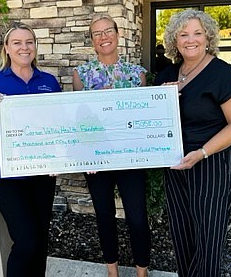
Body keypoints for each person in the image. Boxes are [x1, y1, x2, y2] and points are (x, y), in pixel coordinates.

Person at [154, 10, 231, 277]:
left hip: (210, 163)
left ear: (208, 37)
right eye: (183, 34)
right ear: (175, 40)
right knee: (182, 233)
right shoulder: (166, 76)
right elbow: (152, 121)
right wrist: (161, 99)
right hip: (174, 163)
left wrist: (202, 152)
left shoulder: (222, 74)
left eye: (197, 33)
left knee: (208, 237)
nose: (190, 40)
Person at [0, 22, 61, 277]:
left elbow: (59, 125)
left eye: (29, 42)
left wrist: (59, 160)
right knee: (26, 241)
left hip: (42, 173)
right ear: (7, 49)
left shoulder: (49, 82)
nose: (24, 47)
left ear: (35, 47)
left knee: (40, 241)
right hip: (7, 174)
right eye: (17, 42)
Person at [73, 14, 151, 277]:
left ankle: (142, 272)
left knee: (137, 218)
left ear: (118, 35)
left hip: (130, 158)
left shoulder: (137, 74)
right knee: (104, 216)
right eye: (97, 33)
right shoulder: (81, 75)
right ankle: (112, 271)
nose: (103, 37)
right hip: (97, 161)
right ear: (92, 41)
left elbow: (142, 118)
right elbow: (82, 121)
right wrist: (87, 156)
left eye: (108, 31)